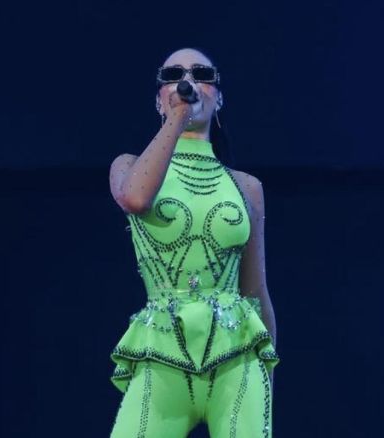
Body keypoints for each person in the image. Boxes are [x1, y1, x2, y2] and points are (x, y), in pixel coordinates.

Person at [108, 47, 281, 437]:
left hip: (238, 357)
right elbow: (136, 199)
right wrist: (177, 118)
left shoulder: (246, 187)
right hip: (160, 355)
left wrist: (268, 382)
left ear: (219, 97)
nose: (187, 82)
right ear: (159, 99)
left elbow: (256, 291)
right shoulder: (127, 166)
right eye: (173, 76)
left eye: (201, 74)